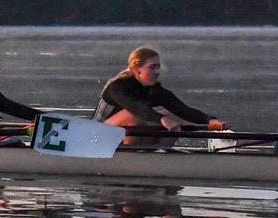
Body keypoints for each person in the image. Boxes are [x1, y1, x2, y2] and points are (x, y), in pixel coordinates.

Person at [93, 46, 228, 146]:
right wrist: (162, 119)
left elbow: (183, 109)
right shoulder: (117, 87)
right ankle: (131, 156)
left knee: (173, 116)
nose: (157, 71)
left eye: (158, 67)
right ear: (137, 70)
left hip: (122, 135)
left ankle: (157, 154)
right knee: (134, 116)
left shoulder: (154, 90)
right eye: (152, 67)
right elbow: (136, 108)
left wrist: (210, 121)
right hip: (94, 138)